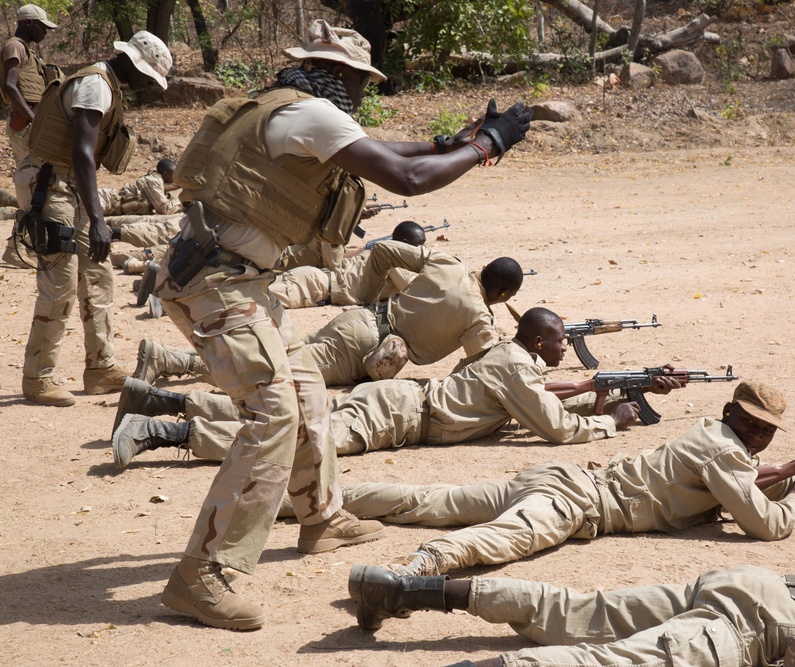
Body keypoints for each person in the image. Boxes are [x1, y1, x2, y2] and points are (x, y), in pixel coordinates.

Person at [152, 19, 531, 631]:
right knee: (273, 411)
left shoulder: (288, 109)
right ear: (339, 75)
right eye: (358, 83)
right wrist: (489, 144)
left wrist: (450, 144)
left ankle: (321, 517)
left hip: (229, 277)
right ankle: (206, 574)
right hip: (218, 284)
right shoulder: (312, 115)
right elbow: (403, 179)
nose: (359, 95)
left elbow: (390, 157)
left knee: (305, 388)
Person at [349, 464, 795, 667]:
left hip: (768, 586)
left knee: (577, 609)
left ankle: (412, 588)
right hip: (785, 624)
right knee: (626, 661)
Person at [334, 379, 795, 579]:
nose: (759, 436)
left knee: (431, 499)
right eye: (751, 424)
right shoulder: (726, 450)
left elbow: (742, 484)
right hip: (578, 503)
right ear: (731, 414)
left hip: (565, 479)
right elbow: (765, 525)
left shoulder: (712, 435)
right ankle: (419, 566)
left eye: (766, 429)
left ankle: (312, 499)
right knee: (500, 539)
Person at [110, 307, 665, 468]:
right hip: (398, 418)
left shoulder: (511, 355)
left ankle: (165, 398)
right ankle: (163, 430)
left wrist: (603, 387)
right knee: (296, 441)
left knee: (285, 415)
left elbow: (543, 390)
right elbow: (554, 427)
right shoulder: (519, 370)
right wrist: (608, 419)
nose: (566, 348)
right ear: (542, 343)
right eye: (562, 341)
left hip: (400, 402)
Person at [13, 31, 171, 406]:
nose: (146, 86)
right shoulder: (95, 86)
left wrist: (93, 213)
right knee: (60, 282)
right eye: (147, 78)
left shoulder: (108, 85)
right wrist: (98, 219)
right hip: (50, 185)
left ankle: (100, 368)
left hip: (72, 186)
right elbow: (82, 152)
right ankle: (39, 377)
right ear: (132, 63)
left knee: (98, 275)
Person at [132, 250, 523, 388]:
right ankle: (170, 361)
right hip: (360, 348)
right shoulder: (478, 317)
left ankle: (170, 361)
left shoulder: (449, 262)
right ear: (504, 295)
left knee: (279, 359)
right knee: (273, 373)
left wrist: (368, 302)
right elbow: (480, 367)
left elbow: (384, 250)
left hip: (359, 320)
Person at [1, 3, 59, 266]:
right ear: (28, 24)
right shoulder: (15, 46)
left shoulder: (27, 52)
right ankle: (16, 248)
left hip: (31, 125)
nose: (45, 32)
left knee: (38, 183)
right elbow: (10, 86)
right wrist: (34, 118)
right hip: (25, 125)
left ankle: (23, 246)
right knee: (31, 183)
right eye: (42, 27)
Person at [267, 219, 426, 309]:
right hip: (313, 287)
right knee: (251, 303)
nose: (423, 249)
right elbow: (418, 292)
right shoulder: (393, 261)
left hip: (312, 279)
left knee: (249, 293)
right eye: (420, 244)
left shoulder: (376, 254)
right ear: (405, 243)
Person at [99, 157, 181, 216]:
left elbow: (166, 187)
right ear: (165, 174)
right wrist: (183, 200)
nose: (176, 177)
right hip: (106, 200)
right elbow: (165, 209)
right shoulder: (154, 181)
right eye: (174, 174)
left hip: (110, 204)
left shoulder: (156, 179)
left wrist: (181, 184)